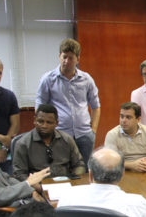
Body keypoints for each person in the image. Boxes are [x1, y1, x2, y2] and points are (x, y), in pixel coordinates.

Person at [36, 38, 101, 166]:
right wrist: (44, 129)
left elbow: (96, 106)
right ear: (59, 56)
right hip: (59, 135)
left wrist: (93, 130)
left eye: (71, 58)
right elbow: (40, 107)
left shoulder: (86, 79)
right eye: (64, 57)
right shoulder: (48, 79)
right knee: (61, 170)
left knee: (85, 170)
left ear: (78, 59)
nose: (66, 61)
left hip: (84, 135)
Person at [12, 104, 86, 182]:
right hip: (36, 187)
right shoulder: (23, 144)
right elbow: (19, 174)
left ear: (56, 123)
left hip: (64, 184)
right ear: (34, 121)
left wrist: (74, 180)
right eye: (40, 121)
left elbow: (79, 164)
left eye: (49, 122)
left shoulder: (67, 140)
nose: (44, 126)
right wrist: (37, 188)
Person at [105, 102, 146, 172]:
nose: (123, 120)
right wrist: (132, 165)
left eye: (128, 117)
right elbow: (109, 162)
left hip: (144, 171)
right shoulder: (112, 134)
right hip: (121, 173)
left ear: (138, 119)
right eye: (121, 116)